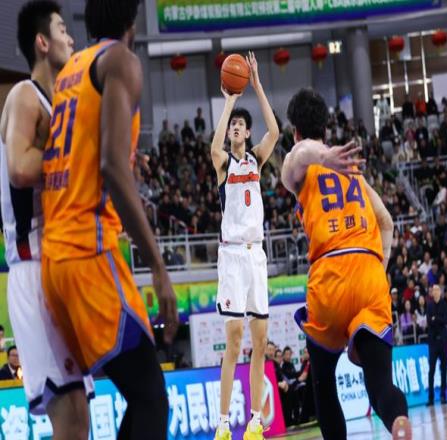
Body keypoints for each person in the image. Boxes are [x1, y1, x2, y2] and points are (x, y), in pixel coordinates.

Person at [41, 1, 179, 438]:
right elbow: (112, 168)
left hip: (54, 261)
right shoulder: (120, 60)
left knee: (140, 395)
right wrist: (158, 267)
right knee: (151, 397)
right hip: (88, 250)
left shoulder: (70, 71)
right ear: (131, 23)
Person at [281, 88, 411, 439]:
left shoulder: (300, 162)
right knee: (380, 383)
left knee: (323, 384)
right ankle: (399, 423)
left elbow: (300, 154)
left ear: (295, 131)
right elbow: (387, 222)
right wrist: (378, 269)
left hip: (331, 275)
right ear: (325, 128)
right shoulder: (352, 171)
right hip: (370, 274)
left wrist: (321, 154)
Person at [0, 1, 91, 436]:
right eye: (61, 29)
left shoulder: (59, 103)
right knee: (68, 414)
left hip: (58, 264)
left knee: (79, 415)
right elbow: (19, 167)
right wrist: (80, 157)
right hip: (32, 265)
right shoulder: (24, 95)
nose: (70, 38)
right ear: (41, 42)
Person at [211, 51, 279, 440]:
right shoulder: (224, 163)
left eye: (241, 125)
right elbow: (213, 148)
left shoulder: (256, 160)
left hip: (257, 255)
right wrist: (230, 102)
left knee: (260, 340)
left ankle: (254, 422)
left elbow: (275, 131)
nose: (236, 128)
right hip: (233, 255)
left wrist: (257, 85)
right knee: (234, 338)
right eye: (233, 125)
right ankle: (223, 424)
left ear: (248, 134)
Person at [426, 284, 447, 406]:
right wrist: (436, 319)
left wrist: (436, 319)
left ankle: (443, 395)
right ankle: (431, 397)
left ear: (440, 292)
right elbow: (429, 321)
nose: (435, 292)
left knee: (444, 368)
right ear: (431, 293)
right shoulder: (429, 305)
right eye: (433, 290)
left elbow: (445, 320)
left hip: (443, 341)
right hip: (433, 342)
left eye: (437, 290)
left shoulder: (444, 305)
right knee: (432, 370)